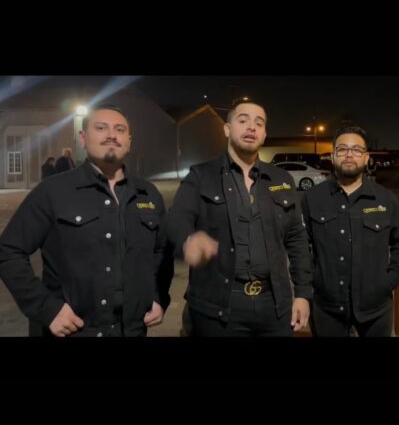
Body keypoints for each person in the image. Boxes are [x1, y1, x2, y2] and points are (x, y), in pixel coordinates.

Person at [0, 105, 173, 337]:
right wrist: (46, 309)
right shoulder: (54, 191)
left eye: (119, 129)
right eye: (101, 128)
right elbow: (9, 251)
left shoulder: (148, 194)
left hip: (131, 329)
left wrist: (157, 297)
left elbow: (162, 251)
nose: (111, 134)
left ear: (129, 141)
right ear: (83, 138)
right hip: (73, 330)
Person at [167, 98, 312, 337]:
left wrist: (303, 294)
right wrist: (187, 241)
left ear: (265, 134)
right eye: (243, 120)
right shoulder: (200, 176)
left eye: (259, 123)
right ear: (227, 129)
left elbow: (297, 239)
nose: (251, 127)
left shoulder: (281, 180)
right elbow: (176, 221)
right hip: (218, 307)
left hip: (274, 305)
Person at [301, 126, 399, 337]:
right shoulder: (312, 198)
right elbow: (300, 246)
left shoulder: (386, 199)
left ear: (366, 157)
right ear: (333, 156)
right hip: (327, 307)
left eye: (356, 150)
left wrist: (389, 280)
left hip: (376, 308)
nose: (349, 154)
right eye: (342, 149)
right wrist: (314, 280)